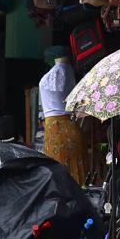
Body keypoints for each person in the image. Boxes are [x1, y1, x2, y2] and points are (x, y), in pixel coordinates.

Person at [39, 45, 86, 184]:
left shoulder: (59, 71)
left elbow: (57, 88)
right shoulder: (67, 71)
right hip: (67, 125)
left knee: (59, 171)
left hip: (57, 127)